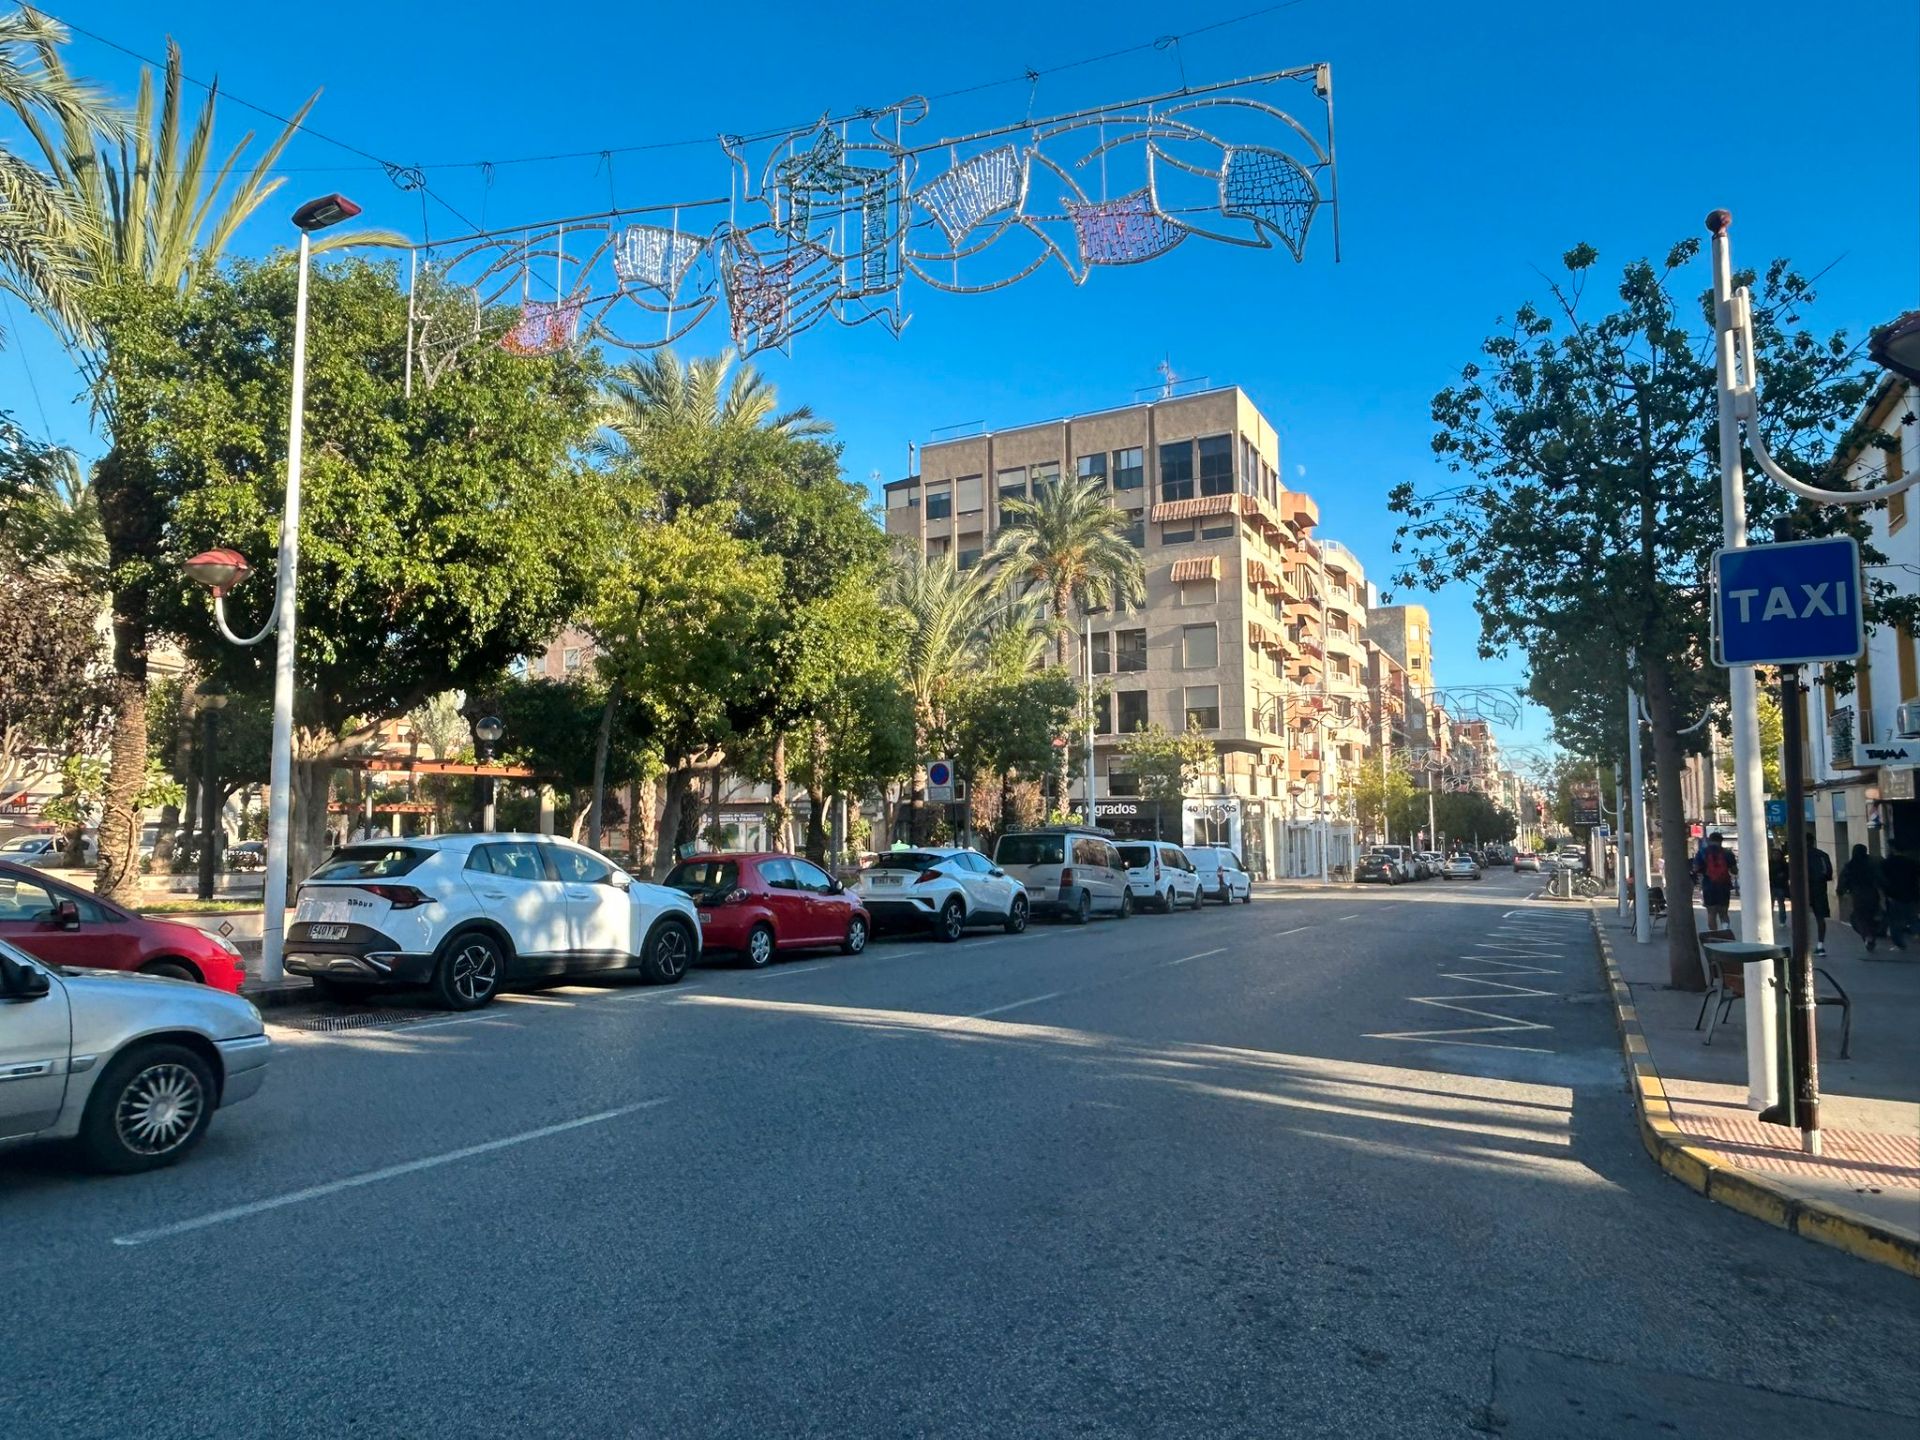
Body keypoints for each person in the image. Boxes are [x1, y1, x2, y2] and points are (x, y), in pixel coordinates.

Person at [1837, 843, 1886, 953]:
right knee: (1872, 916)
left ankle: (1868, 936)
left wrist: (1841, 892)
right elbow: (1880, 878)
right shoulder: (1872, 864)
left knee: (1860, 917)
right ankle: (1871, 936)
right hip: (1872, 893)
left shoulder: (1850, 865)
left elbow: (1843, 880)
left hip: (1857, 895)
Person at [1693, 831, 1737, 932]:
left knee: (1711, 913)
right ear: (1721, 841)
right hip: (1724, 885)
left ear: (1709, 840)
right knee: (1724, 912)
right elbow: (1734, 871)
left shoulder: (1702, 852)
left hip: (1708, 885)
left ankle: (1714, 934)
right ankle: (1726, 932)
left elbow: (1696, 869)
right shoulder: (1727, 853)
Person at [1881, 848, 1917, 953]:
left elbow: (1883, 879)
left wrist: (1885, 893)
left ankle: (1899, 944)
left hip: (1894, 896)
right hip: (1910, 895)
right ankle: (1916, 932)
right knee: (1912, 918)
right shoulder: (1911, 862)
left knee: (1895, 921)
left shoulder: (1888, 863)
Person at [1805, 833, 1833, 957]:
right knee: (1820, 918)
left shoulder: (1799, 855)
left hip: (1804, 890)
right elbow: (1828, 874)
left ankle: (1804, 945)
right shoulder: (1823, 855)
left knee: (1802, 917)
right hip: (1820, 889)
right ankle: (1820, 945)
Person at [1768, 842, 1790, 926]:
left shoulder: (1784, 864)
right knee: (1770, 904)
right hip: (1772, 886)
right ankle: (1770, 919)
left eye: (1777, 854)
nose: (1776, 856)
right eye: (1774, 854)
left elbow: (1787, 874)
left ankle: (1782, 920)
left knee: (1781, 904)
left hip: (1780, 886)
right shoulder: (1769, 864)